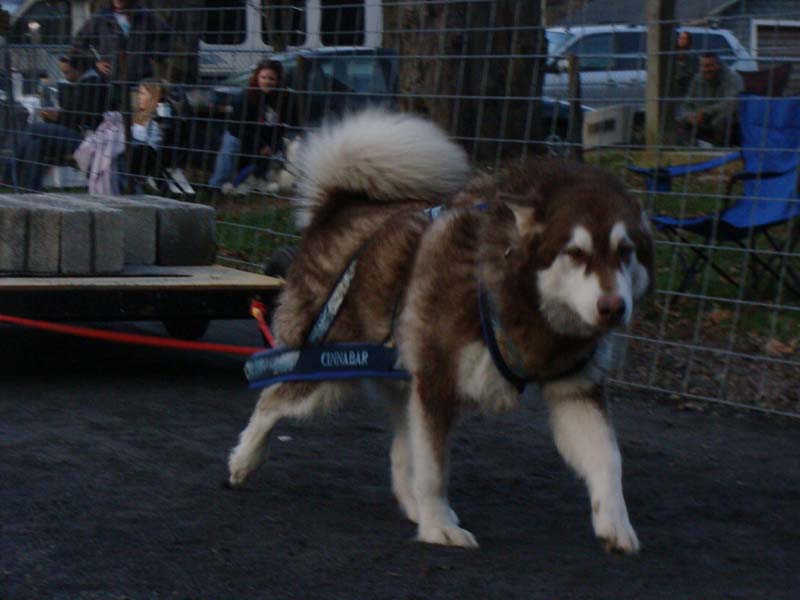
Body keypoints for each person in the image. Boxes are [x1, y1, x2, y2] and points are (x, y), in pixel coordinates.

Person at [13, 50, 110, 191]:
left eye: (67, 72)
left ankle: (9, 171)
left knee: (34, 129)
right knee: (35, 143)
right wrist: (56, 116)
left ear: (79, 70)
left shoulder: (92, 84)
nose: (65, 77)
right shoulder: (79, 83)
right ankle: (30, 192)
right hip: (74, 134)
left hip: (88, 139)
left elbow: (81, 117)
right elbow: (72, 115)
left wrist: (58, 117)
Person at [208, 60, 286, 195]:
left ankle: (258, 180)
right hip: (241, 136)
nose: (267, 81)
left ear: (278, 81)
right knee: (230, 145)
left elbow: (280, 128)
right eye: (263, 77)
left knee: (280, 152)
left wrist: (272, 145)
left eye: (271, 78)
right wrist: (260, 146)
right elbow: (239, 128)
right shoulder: (244, 98)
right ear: (256, 78)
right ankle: (217, 185)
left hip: (264, 141)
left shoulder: (282, 100)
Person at [73, 0, 171, 88]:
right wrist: (94, 63)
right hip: (109, 82)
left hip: (141, 84)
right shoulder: (100, 18)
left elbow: (167, 36)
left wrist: (152, 55)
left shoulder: (145, 16)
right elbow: (78, 43)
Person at [677, 52, 744, 146]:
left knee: (721, 120)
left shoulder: (733, 78)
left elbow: (732, 104)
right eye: (702, 66)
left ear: (718, 65)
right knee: (680, 122)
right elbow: (687, 104)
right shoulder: (697, 79)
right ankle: (691, 152)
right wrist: (691, 116)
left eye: (709, 65)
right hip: (702, 120)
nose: (705, 69)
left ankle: (716, 156)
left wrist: (704, 112)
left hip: (728, 123)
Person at [672, 30, 698, 98]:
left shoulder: (692, 56)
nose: (681, 40)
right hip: (674, 92)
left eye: (684, 38)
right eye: (680, 38)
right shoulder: (673, 55)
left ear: (689, 41)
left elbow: (692, 73)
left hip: (687, 91)